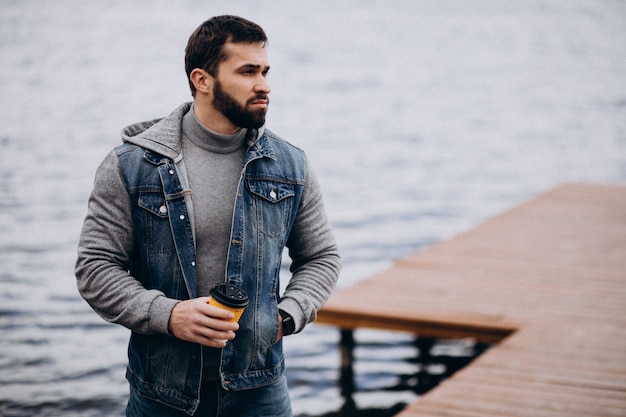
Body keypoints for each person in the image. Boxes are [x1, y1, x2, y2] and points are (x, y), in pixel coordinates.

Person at [76, 15, 341, 417]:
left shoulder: (291, 164)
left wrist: (285, 316)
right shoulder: (130, 167)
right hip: (161, 393)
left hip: (260, 390)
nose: (264, 85)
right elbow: (95, 268)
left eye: (266, 71)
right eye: (248, 71)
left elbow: (322, 257)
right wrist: (169, 315)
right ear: (202, 80)